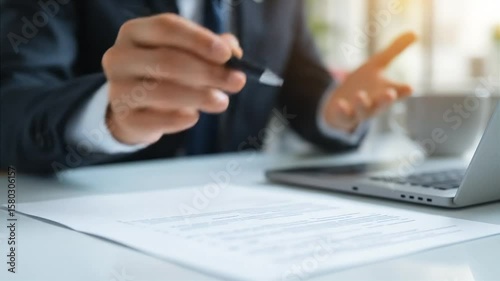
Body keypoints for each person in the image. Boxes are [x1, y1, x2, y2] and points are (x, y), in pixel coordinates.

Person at [0, 0, 416, 174]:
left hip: (240, 226)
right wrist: (106, 114)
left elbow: (302, 89)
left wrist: (335, 111)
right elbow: (12, 102)